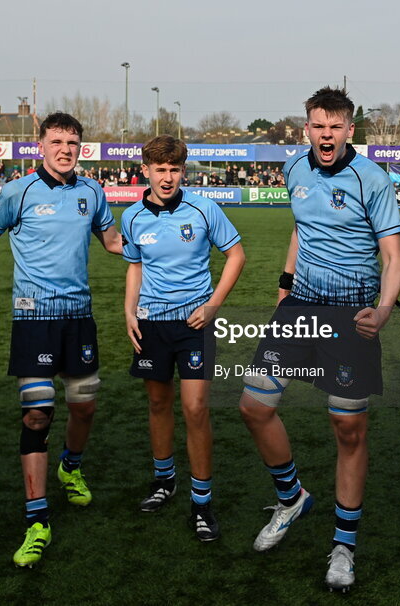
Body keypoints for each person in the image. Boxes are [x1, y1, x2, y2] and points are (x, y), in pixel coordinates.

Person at [237, 87, 400, 593]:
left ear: (350, 130)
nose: (325, 135)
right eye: (317, 126)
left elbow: (394, 257)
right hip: (299, 306)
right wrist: (286, 284)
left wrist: (385, 310)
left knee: (347, 428)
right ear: (306, 128)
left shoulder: (371, 178)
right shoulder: (294, 169)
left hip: (352, 314)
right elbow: (299, 227)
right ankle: (292, 498)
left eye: (335, 127)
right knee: (253, 404)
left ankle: (343, 546)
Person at [0, 112, 122, 568]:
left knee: (84, 404)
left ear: (80, 147)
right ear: (39, 145)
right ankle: (37, 519)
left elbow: (112, 241)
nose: (65, 149)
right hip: (34, 319)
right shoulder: (17, 191)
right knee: (36, 414)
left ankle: (70, 466)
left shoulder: (92, 192)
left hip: (79, 318)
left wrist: (164, 240)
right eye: (57, 141)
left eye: (72, 142)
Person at [121, 135, 245, 541]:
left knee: (195, 408)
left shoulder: (204, 208)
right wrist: (129, 311)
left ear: (183, 171)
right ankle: (163, 480)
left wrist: (213, 305)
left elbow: (236, 255)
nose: (168, 177)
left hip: (195, 324)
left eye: (175, 170)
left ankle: (202, 502)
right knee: (158, 402)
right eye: (160, 170)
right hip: (151, 323)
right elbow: (135, 267)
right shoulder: (132, 216)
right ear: (146, 171)